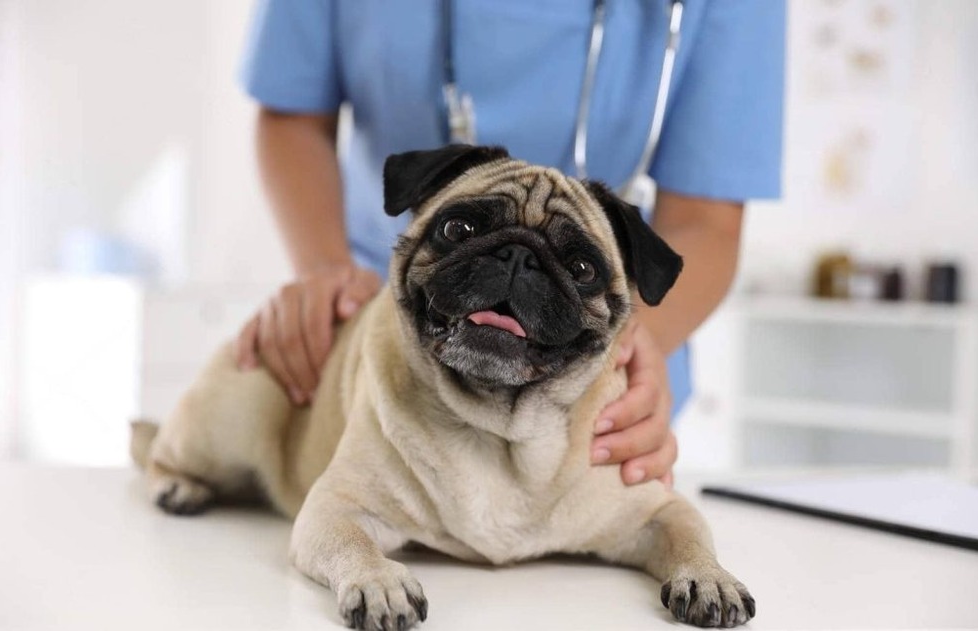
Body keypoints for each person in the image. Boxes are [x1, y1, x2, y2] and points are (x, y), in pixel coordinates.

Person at [236, 0, 784, 487]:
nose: (517, 265)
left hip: (587, 400)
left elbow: (706, 220)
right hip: (380, 334)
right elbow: (292, 115)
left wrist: (632, 351)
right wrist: (323, 269)